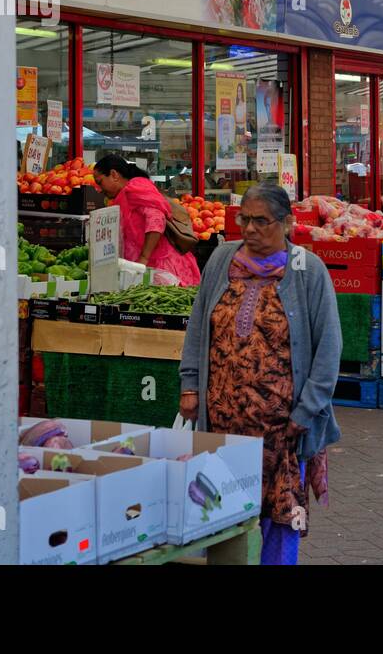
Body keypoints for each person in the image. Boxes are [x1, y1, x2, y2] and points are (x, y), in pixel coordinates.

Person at [179, 182, 341, 565]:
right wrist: (190, 384)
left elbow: (329, 347)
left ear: (286, 224)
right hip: (222, 421)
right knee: (221, 506)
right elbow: (198, 325)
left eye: (261, 221)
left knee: (278, 514)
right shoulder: (221, 259)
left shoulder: (307, 270)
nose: (250, 229)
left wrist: (308, 410)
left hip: (282, 428)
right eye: (244, 219)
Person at [93, 154, 201, 285]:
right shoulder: (125, 194)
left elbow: (156, 220)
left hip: (159, 266)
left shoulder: (135, 189)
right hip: (142, 267)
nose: (99, 189)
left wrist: (144, 258)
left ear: (114, 174)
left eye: (100, 182)